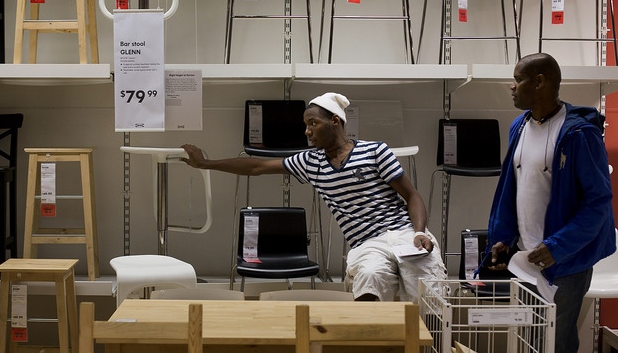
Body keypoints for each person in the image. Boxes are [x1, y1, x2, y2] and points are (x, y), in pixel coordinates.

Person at [181, 92, 445, 302]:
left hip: (405, 234)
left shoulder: (375, 151)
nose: (307, 131)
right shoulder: (310, 162)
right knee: (369, 281)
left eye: (312, 123)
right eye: (305, 125)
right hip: (366, 242)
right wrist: (206, 164)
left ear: (335, 121)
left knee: (427, 290)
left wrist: (418, 233)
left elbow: (412, 195)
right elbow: (256, 167)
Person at [487, 53, 616, 353]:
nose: (512, 87)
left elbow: (598, 202)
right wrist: (504, 238)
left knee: (556, 343)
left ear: (540, 81)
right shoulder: (519, 126)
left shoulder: (579, 134)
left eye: (518, 80)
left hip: (566, 262)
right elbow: (514, 187)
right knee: (530, 341)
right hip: (527, 259)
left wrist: (556, 248)